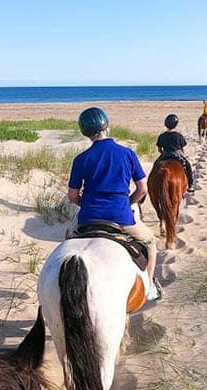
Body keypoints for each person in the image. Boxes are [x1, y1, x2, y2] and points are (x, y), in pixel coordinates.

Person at [67, 107, 161, 300]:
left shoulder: (81, 159)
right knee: (151, 243)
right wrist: (127, 203)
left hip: (88, 217)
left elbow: (72, 196)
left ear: (84, 132)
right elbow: (142, 189)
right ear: (106, 126)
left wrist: (86, 204)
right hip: (121, 217)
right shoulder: (127, 153)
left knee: (69, 239)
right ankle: (150, 286)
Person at [154, 114, 194, 191]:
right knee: (188, 166)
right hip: (177, 154)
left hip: (165, 154)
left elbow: (159, 149)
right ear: (176, 125)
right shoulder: (179, 136)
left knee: (155, 165)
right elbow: (183, 149)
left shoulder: (162, 136)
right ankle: (190, 185)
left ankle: (150, 184)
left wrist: (163, 153)